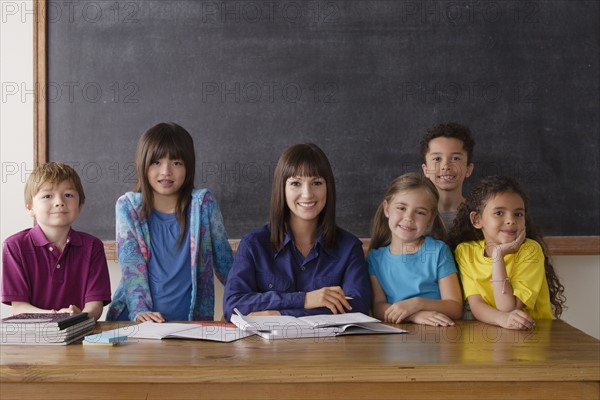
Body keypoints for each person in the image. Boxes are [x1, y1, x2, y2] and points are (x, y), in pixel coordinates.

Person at [223, 143, 371, 321]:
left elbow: (357, 308)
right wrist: (305, 299)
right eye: (296, 183)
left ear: (328, 188)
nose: (307, 194)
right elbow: (233, 306)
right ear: (282, 189)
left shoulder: (349, 248)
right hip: (266, 349)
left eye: (316, 183)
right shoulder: (253, 245)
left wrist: (280, 314)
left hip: (328, 349)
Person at [106, 122, 233, 322]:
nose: (166, 171)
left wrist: (243, 305)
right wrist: (139, 310)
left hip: (191, 324)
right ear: (143, 164)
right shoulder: (128, 207)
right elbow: (131, 263)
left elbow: (225, 262)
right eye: (156, 162)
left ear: (188, 166)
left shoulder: (203, 204)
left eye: (176, 163)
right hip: (134, 321)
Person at [448, 176, 566, 330]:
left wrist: (498, 256)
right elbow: (476, 304)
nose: (511, 220)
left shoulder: (530, 250)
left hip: (533, 335)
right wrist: (501, 319)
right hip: (493, 333)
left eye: (518, 214)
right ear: (476, 219)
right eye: (499, 213)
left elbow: (508, 308)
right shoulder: (465, 251)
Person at [2, 162, 111, 320]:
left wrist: (77, 317)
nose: (59, 202)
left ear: (80, 205)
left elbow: (95, 305)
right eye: (47, 196)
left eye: (68, 195)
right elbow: (19, 307)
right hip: (33, 338)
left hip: (79, 334)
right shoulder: (15, 246)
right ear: (30, 207)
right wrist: (56, 317)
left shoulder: (93, 246)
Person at [368, 173, 463, 326]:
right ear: (387, 209)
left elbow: (455, 307)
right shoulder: (375, 258)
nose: (409, 218)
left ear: (430, 220)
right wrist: (413, 316)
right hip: (395, 337)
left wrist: (417, 303)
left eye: (420, 212)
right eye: (401, 208)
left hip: (438, 334)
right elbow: (378, 308)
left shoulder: (438, 251)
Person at [420, 122, 475, 229]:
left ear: (468, 169)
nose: (445, 166)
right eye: (437, 159)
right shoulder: (415, 216)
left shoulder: (481, 215)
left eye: (455, 158)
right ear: (425, 170)